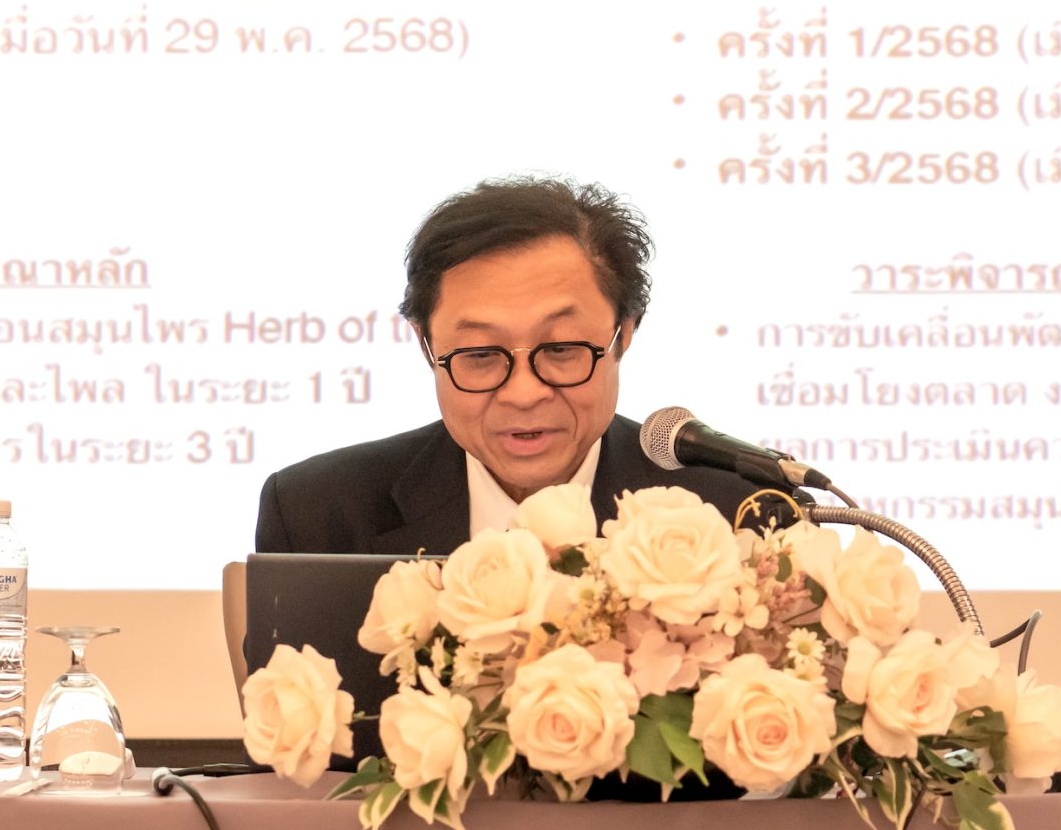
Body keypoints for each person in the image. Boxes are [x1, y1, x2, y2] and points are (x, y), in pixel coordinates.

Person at [253, 176, 757, 556]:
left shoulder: (738, 513)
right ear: (426, 346)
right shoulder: (318, 514)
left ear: (623, 334)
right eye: (480, 355)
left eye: (560, 349)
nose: (523, 394)